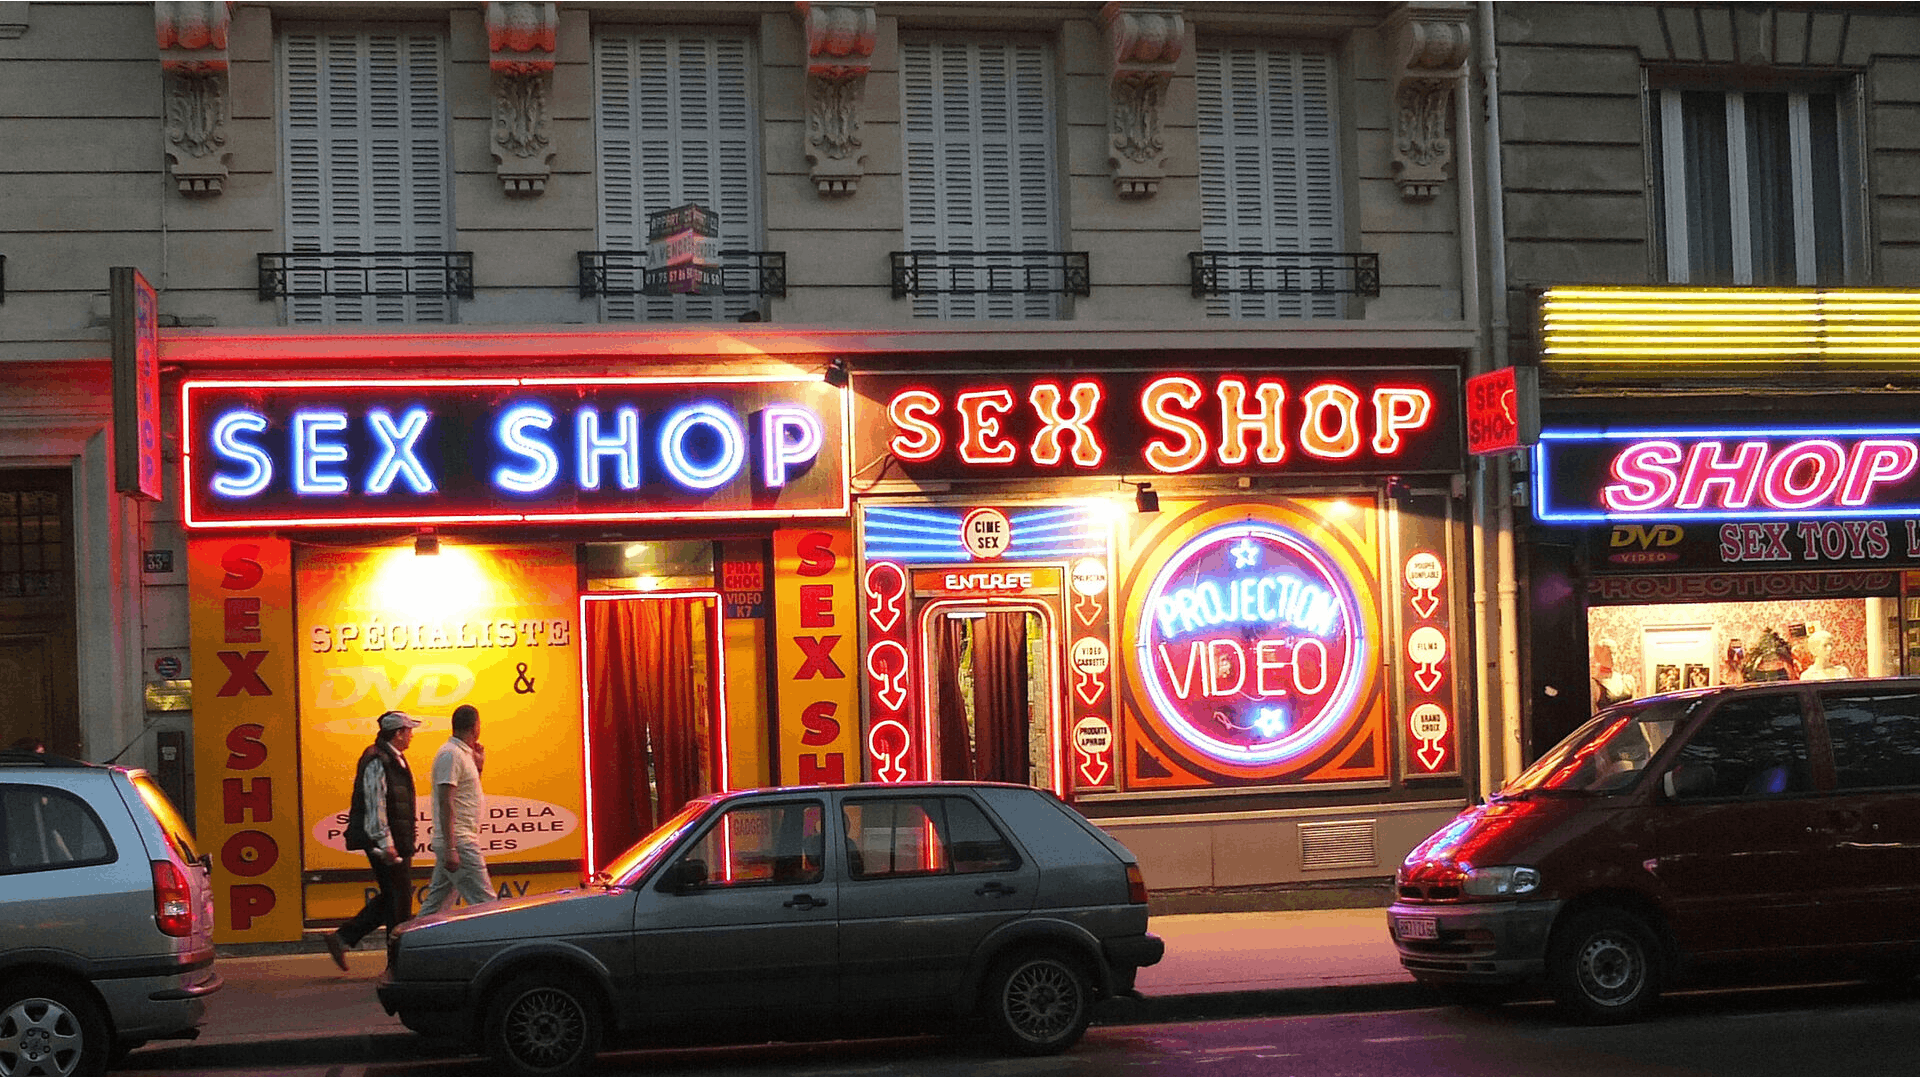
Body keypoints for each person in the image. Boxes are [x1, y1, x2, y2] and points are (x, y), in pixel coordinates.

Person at [326, 710, 420, 971]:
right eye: (409, 731)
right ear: (398, 733)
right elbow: (375, 803)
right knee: (399, 903)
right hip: (384, 842)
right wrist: (384, 841)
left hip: (395, 840)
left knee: (394, 897)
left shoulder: (393, 758)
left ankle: (342, 938)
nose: (411, 735)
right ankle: (397, 964)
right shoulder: (377, 759)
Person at [416, 704, 494, 917]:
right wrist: (451, 847)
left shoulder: (462, 754)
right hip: (460, 842)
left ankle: (414, 935)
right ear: (475, 727)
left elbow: (466, 793)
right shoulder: (450, 754)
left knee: (436, 907)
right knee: (487, 904)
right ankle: (500, 937)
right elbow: (446, 801)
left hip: (457, 840)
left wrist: (479, 766)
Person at [1590, 636, 1636, 712]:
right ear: (1598, 657)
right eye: (1607, 654)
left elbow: (1635, 707)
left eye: (1614, 653)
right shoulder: (1594, 684)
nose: (1612, 657)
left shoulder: (1628, 680)